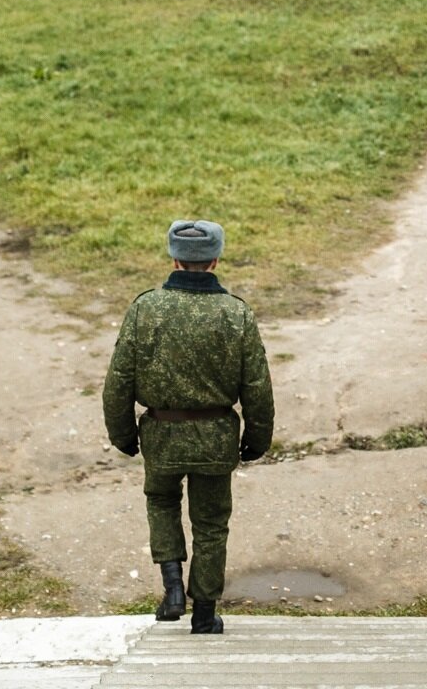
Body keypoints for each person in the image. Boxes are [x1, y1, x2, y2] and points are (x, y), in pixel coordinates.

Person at [103, 219, 274, 634]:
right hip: (216, 441)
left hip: (161, 438)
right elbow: (257, 386)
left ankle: (173, 587)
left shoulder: (145, 308)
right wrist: (256, 440)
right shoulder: (236, 314)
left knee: (161, 502)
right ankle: (204, 614)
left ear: (174, 258)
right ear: (215, 260)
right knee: (212, 525)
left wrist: (123, 435)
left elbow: (119, 380)